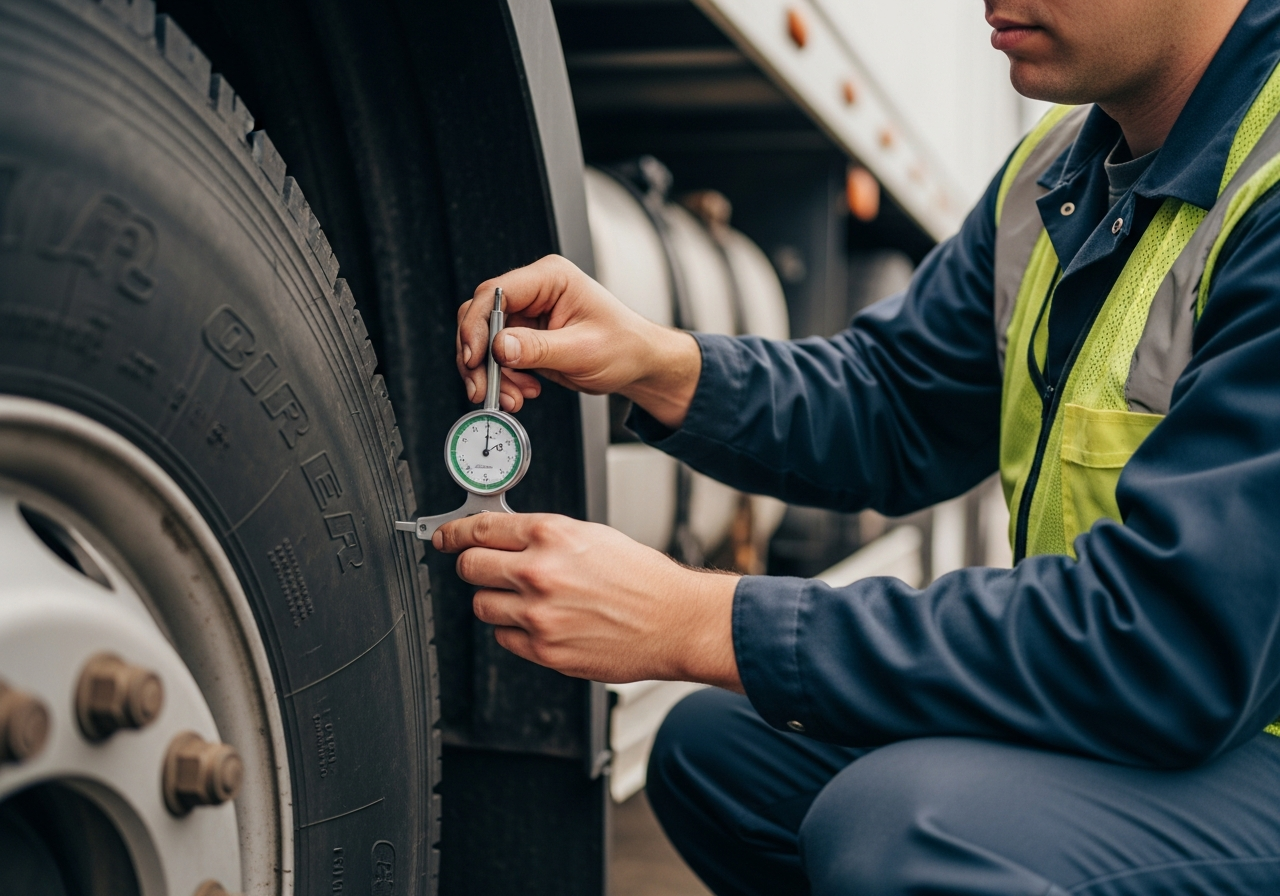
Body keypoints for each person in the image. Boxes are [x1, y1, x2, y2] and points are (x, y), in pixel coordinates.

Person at [438, 0, 1280, 892]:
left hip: (1226, 715)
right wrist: (659, 364)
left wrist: (697, 619)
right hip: (1161, 703)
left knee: (903, 826)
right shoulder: (1059, 170)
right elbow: (898, 402)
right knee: (720, 753)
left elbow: (1169, 642)